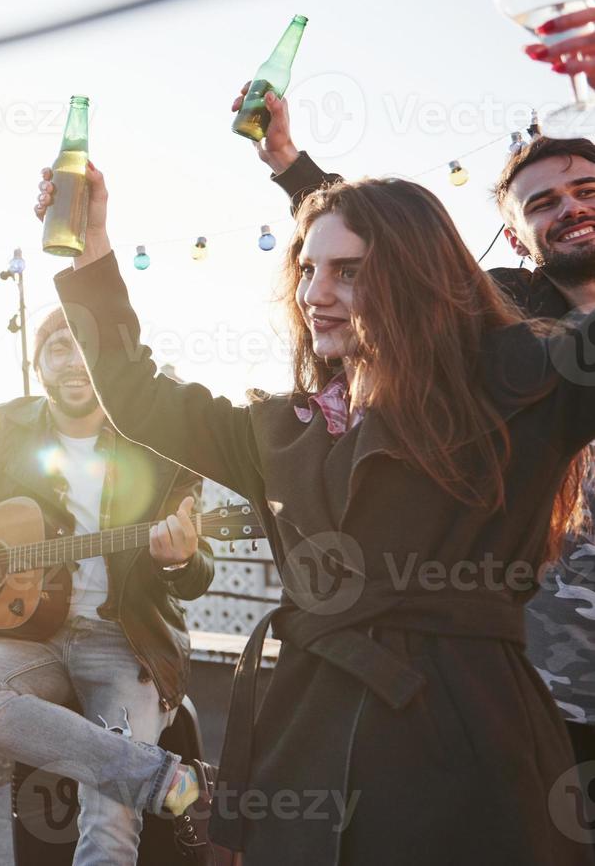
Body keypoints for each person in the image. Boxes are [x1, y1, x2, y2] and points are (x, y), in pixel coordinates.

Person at [33, 156, 592, 863]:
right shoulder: (278, 428)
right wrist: (90, 245)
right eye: (306, 268)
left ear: (418, 280)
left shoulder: (519, 381)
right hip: (303, 735)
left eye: (349, 272)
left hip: (471, 736)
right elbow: (135, 391)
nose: (314, 294)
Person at [233, 82, 595, 775]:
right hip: (551, 670)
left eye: (585, 189)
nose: (570, 208)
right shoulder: (507, 325)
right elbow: (393, 252)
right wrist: (292, 168)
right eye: (541, 202)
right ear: (515, 235)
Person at [0, 307, 213, 864]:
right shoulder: (6, 426)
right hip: (32, 635)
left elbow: (199, 573)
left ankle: (141, 778)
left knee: (110, 823)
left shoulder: (160, 442)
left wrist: (178, 560)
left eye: (87, 345)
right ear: (38, 364)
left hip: (126, 641)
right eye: (59, 347)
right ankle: (166, 781)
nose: (75, 360)